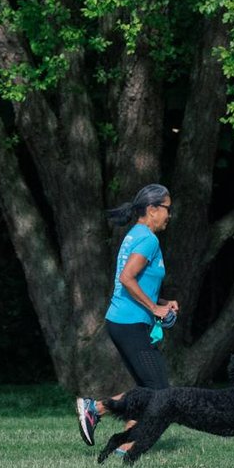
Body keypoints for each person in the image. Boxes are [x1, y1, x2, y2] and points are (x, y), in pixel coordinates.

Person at [76, 183, 178, 452]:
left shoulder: (135, 235)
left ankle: (126, 444)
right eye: (167, 208)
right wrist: (155, 309)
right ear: (152, 209)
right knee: (159, 390)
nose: (169, 214)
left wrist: (164, 303)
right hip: (130, 323)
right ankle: (95, 409)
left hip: (124, 321)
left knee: (147, 388)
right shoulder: (148, 239)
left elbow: (137, 284)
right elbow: (126, 278)